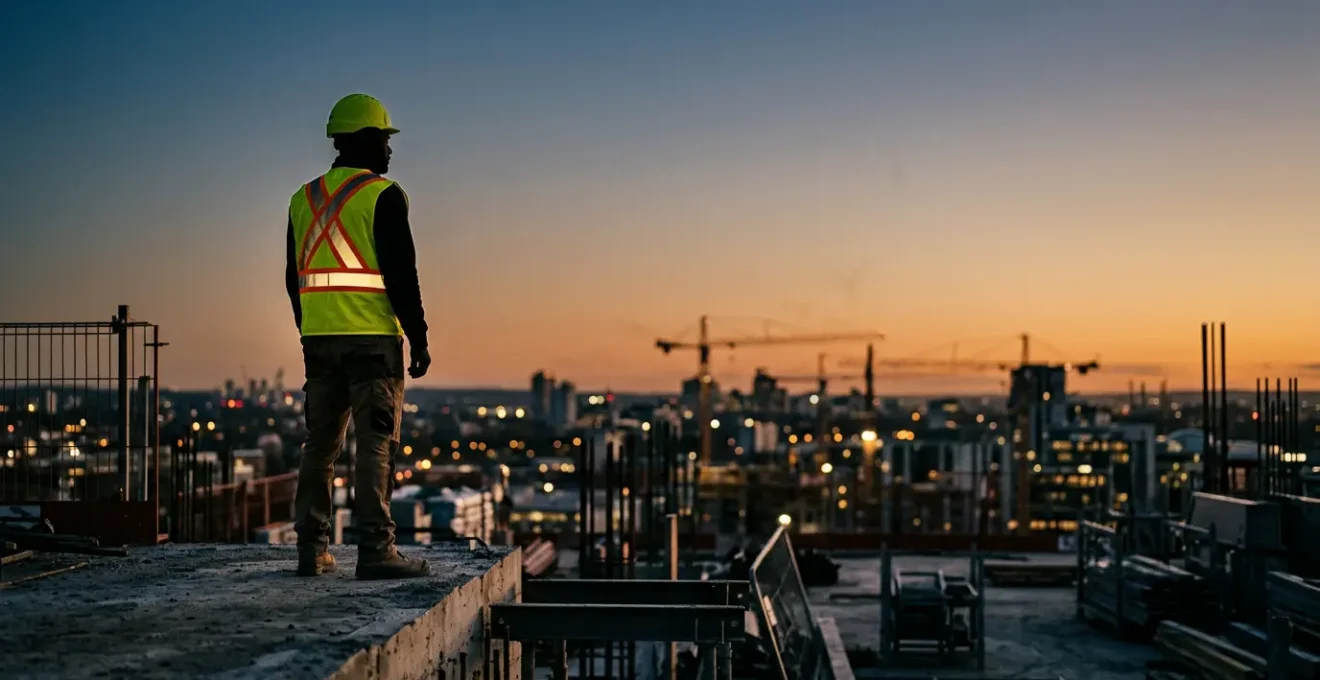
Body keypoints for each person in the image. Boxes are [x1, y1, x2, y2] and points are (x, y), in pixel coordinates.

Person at [286, 93, 432, 579]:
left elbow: (294, 276)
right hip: (372, 339)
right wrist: (420, 336)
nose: (390, 152)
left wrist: (309, 328)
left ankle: (311, 550)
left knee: (320, 444)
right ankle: (375, 550)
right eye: (385, 140)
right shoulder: (383, 196)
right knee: (375, 444)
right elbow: (401, 275)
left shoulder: (303, 198)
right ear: (366, 141)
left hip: (319, 339)